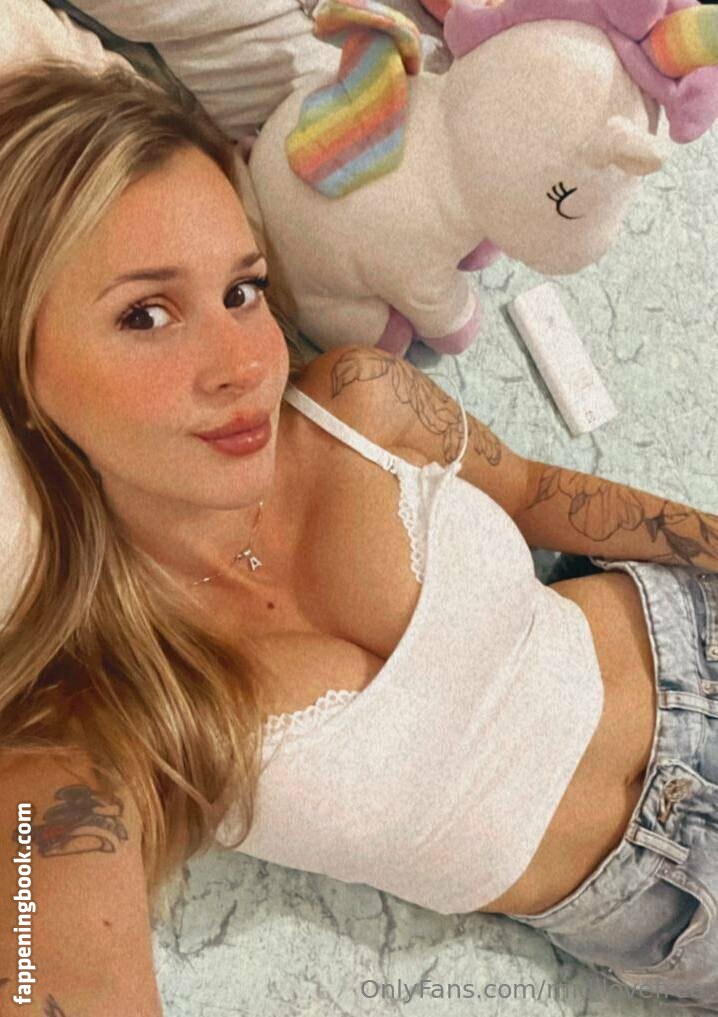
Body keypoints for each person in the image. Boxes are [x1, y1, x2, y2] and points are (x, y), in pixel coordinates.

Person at [0, 62, 717, 1016]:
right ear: (21, 368)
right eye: (147, 313)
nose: (243, 364)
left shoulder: (357, 400)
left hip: (686, 636)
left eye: (243, 291)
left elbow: (539, 491)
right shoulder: (96, 719)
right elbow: (47, 946)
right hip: (675, 902)